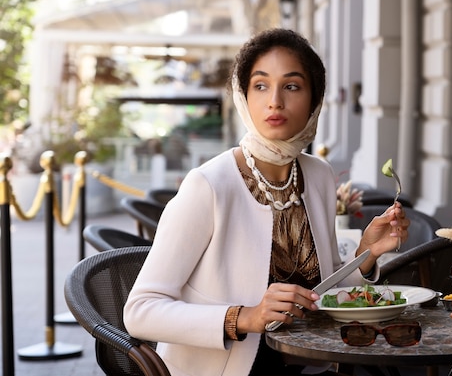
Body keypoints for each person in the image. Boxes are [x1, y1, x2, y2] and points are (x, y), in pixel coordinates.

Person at [124, 28, 410, 376]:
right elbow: (140, 311)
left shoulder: (317, 175)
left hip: (311, 362)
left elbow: (323, 293)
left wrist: (366, 253)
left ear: (314, 100)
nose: (275, 100)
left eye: (292, 86)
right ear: (244, 96)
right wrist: (245, 316)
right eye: (260, 85)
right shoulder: (209, 185)